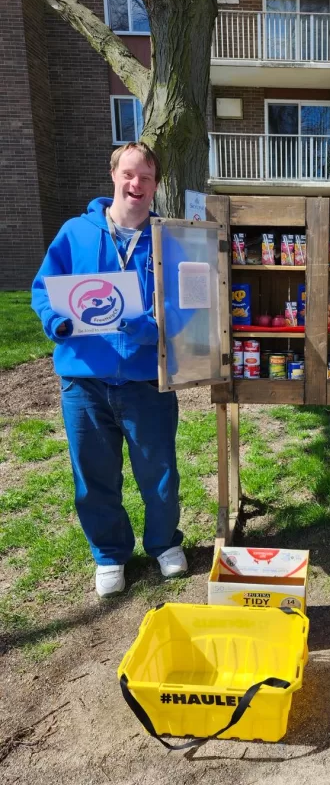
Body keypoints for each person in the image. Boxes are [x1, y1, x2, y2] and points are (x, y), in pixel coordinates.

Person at [32, 142, 188, 598]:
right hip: (85, 378)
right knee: (94, 473)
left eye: (146, 177)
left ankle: (164, 544)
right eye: (129, 174)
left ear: (155, 185)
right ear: (113, 176)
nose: (136, 184)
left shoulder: (169, 238)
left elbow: (186, 303)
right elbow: (44, 288)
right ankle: (110, 554)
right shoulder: (76, 233)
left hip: (146, 379)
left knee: (159, 471)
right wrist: (55, 320)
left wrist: (155, 327)